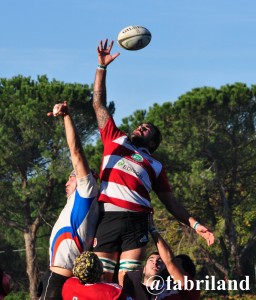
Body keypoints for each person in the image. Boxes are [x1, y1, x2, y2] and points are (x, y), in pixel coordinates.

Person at [92, 38, 214, 285]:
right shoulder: (115, 139)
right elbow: (98, 103)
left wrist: (195, 224)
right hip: (109, 216)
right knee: (103, 279)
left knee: (129, 281)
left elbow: (171, 203)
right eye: (140, 125)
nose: (141, 126)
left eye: (147, 129)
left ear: (153, 143)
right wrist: (102, 68)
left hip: (138, 221)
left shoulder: (155, 165)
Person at [38, 102, 99, 300]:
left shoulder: (87, 189)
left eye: (71, 177)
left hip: (60, 277)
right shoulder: (79, 201)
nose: (66, 183)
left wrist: (66, 117)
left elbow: (77, 153)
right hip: (66, 278)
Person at [122, 217, 200, 300]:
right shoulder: (149, 290)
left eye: (177, 264)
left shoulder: (190, 289)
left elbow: (170, 261)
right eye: (151, 260)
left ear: (186, 272)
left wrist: (152, 229)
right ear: (143, 268)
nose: (169, 266)